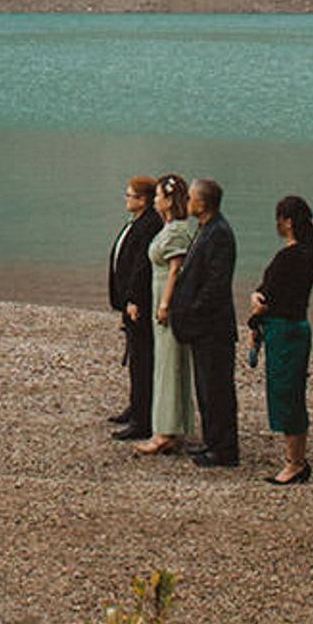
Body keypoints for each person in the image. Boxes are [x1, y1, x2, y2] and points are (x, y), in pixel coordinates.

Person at [249, 195, 313, 485]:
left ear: (287, 222)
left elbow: (271, 297)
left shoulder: (289, 257)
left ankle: (294, 462)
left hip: (284, 332)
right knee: (293, 394)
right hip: (296, 329)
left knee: (286, 394)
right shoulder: (307, 254)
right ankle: (296, 459)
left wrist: (257, 301)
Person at [172, 176, 240, 468]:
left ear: (201, 203)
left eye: (190, 198)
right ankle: (213, 441)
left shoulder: (219, 234)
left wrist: (194, 311)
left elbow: (216, 283)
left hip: (213, 327)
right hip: (203, 327)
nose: (187, 203)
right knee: (206, 387)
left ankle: (224, 449)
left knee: (217, 388)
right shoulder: (205, 229)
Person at [134, 175, 195, 452]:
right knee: (164, 361)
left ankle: (166, 431)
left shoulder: (178, 231)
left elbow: (175, 269)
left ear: (169, 201)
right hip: (158, 292)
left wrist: (165, 304)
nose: (155, 200)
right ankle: (169, 425)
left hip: (166, 299)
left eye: (159, 196)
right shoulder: (168, 228)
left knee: (170, 363)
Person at [107, 175, 162, 440]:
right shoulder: (138, 222)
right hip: (128, 301)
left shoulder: (150, 225)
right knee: (135, 357)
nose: (126, 199)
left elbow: (142, 266)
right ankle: (135, 406)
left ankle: (143, 419)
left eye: (129, 195)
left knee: (142, 360)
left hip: (138, 303)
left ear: (143, 200)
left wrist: (134, 299)